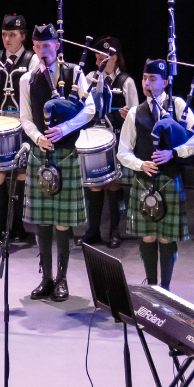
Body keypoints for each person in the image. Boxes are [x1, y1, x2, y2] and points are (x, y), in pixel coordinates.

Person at [18, 25, 95, 302]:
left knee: (63, 223)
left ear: (57, 45)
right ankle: (46, 278)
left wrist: (65, 129)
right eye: (37, 47)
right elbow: (25, 117)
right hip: (41, 154)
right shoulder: (27, 79)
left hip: (65, 153)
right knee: (42, 222)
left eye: (46, 47)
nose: (41, 53)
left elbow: (90, 109)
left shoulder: (74, 73)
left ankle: (62, 279)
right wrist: (38, 137)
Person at [117, 59, 194, 290]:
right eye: (145, 78)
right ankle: (152, 286)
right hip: (143, 180)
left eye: (153, 79)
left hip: (169, 180)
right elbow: (123, 151)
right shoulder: (135, 112)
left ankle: (165, 288)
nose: (146, 83)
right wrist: (140, 164)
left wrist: (173, 153)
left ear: (165, 82)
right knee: (147, 237)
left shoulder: (178, 106)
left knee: (166, 237)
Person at [0, 14, 35, 245]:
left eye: (12, 35)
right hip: (1, 121)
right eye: (4, 34)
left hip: (24, 123)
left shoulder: (32, 60)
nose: (7, 39)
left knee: (21, 173)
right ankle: (0, 226)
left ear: (23, 36)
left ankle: (18, 226)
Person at [82, 36, 139, 248]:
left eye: (103, 59)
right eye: (97, 59)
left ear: (114, 57)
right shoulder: (88, 79)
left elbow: (137, 113)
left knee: (113, 184)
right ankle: (93, 231)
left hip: (117, 139)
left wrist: (129, 114)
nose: (99, 63)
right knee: (95, 184)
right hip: (95, 140)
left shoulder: (127, 82)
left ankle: (115, 231)